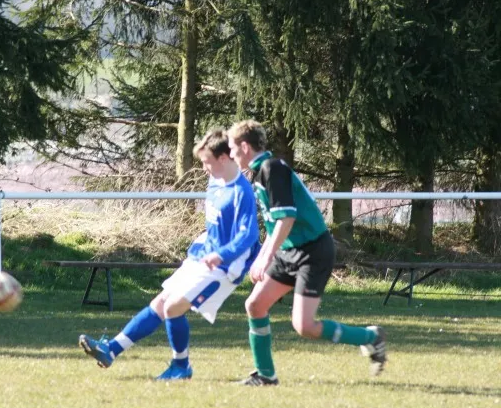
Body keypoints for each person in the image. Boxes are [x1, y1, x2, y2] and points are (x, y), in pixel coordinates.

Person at [79, 128, 260, 380]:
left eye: (207, 161)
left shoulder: (241, 192)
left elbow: (248, 235)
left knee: (174, 307)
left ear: (223, 158)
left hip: (226, 266)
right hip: (203, 256)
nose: (204, 168)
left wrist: (222, 254)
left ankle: (181, 366)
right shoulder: (215, 182)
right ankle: (111, 349)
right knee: (161, 303)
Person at [226, 120, 386, 386]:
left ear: (244, 147)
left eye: (232, 149)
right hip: (289, 251)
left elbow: (287, 218)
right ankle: (266, 375)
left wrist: (267, 257)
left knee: (305, 327)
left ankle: (371, 337)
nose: (231, 155)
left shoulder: (272, 168)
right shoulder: (260, 172)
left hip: (313, 251)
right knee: (255, 305)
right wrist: (263, 256)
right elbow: (276, 224)